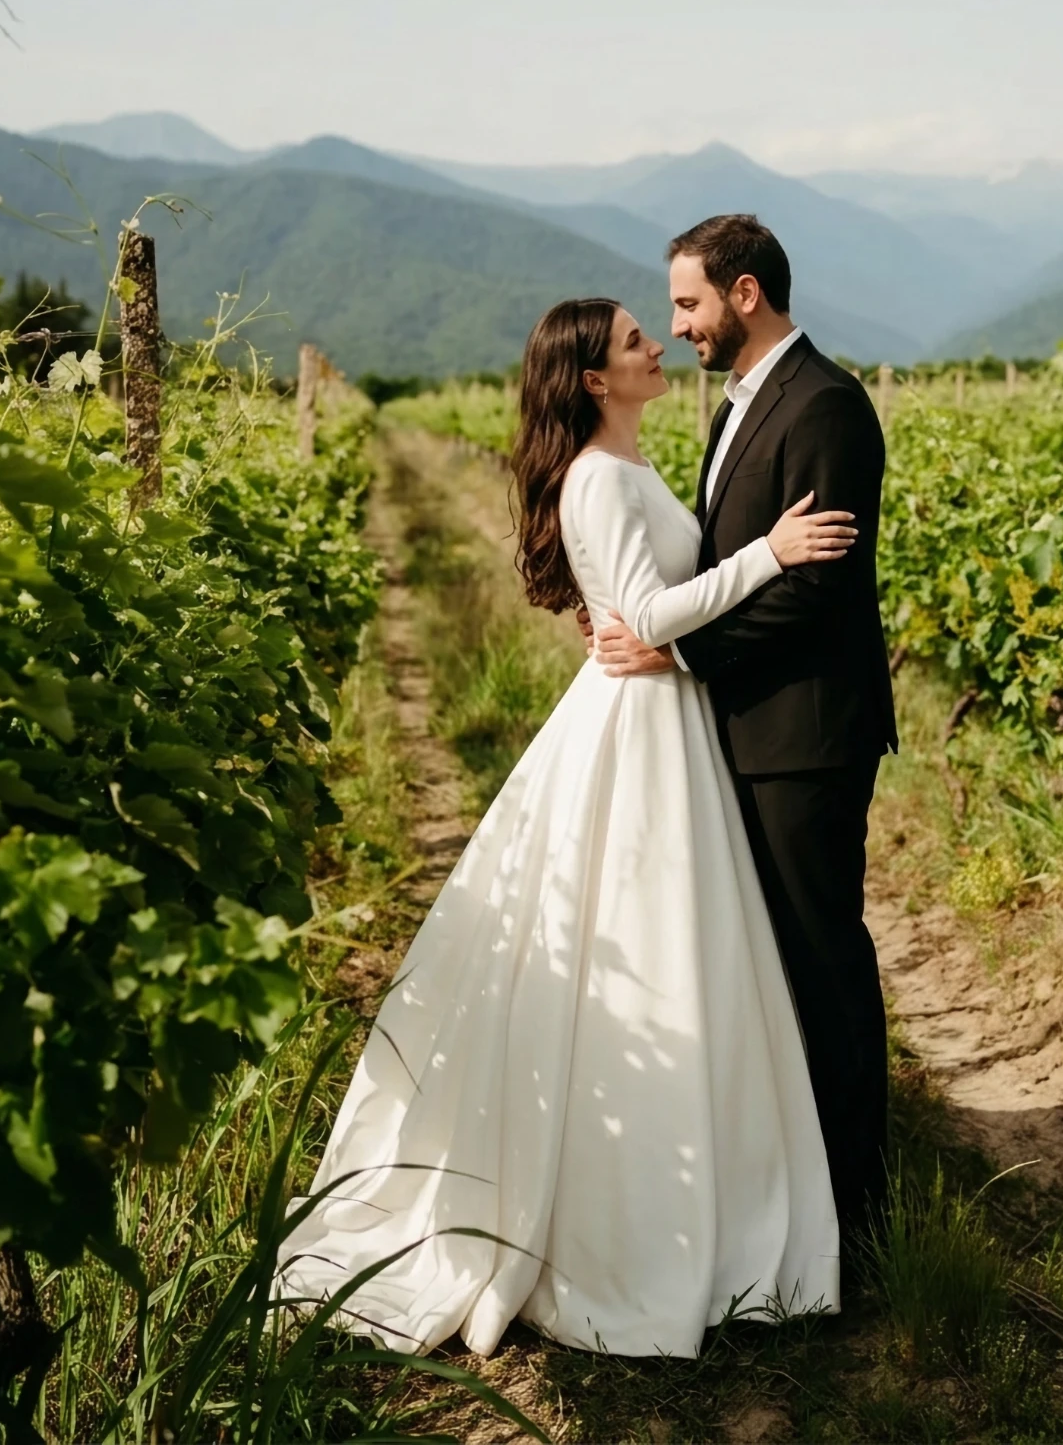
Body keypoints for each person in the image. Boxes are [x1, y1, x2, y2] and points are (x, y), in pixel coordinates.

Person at [275, 295, 858, 1357]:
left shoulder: (627, 467)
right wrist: (771, 552)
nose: (658, 346)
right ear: (594, 378)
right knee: (640, 938)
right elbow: (648, 617)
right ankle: (637, 1224)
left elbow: (636, 603)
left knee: (683, 943)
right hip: (638, 722)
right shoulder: (596, 477)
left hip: (665, 719)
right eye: (638, 339)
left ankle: (712, 1194)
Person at [592, 214, 898, 1255]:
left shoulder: (826, 408)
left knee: (822, 957)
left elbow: (811, 597)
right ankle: (794, 1178)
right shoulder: (738, 408)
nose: (678, 326)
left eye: (686, 303)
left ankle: (859, 1203)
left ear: (745, 295)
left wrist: (674, 654)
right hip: (749, 726)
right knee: (774, 964)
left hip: (806, 731)